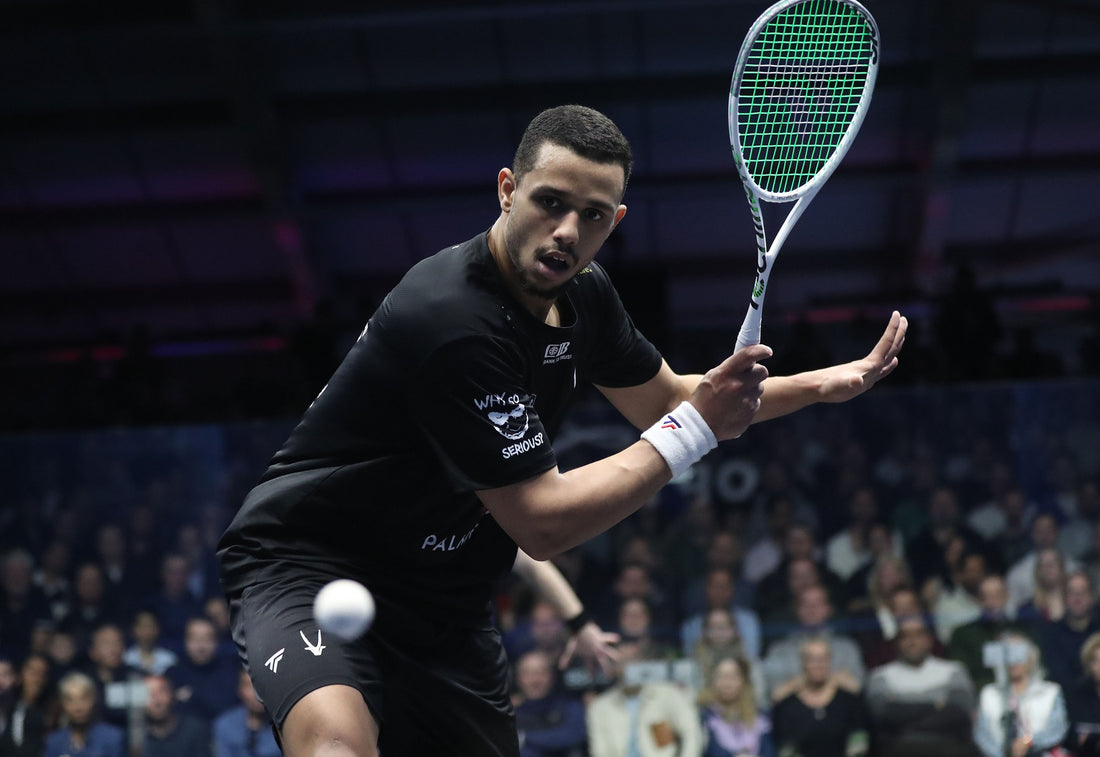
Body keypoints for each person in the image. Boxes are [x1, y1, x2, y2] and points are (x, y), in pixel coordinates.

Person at [216, 104, 908, 756]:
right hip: (308, 560)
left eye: (593, 215)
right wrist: (695, 428)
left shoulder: (586, 296)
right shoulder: (450, 318)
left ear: (616, 220)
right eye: (551, 202)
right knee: (335, 746)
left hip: (442, 595)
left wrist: (819, 385)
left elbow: (672, 399)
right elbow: (543, 522)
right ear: (507, 190)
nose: (569, 231)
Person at [865, 615, 975, 756]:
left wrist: (901, 707)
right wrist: (936, 705)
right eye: (905, 636)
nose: (912, 641)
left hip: (948, 748)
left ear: (929, 639)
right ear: (896, 642)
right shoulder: (880, 676)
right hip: (897, 750)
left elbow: (960, 712)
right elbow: (881, 715)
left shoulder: (954, 671)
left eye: (918, 635)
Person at [587, 639, 703, 757]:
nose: (629, 667)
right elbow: (600, 752)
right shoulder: (600, 707)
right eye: (623, 662)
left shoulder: (668, 694)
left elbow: (692, 734)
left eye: (633, 660)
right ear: (614, 668)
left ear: (643, 662)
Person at [972, 633, 1068, 757]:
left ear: (1030, 658)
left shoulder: (1050, 692)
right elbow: (982, 735)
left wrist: (1028, 742)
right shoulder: (988, 693)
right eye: (1008, 655)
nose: (1013, 662)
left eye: (1018, 655)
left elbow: (1056, 729)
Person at [771, 637, 869, 757]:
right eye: (812, 659)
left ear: (830, 660)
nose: (818, 664)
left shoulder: (848, 701)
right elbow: (786, 748)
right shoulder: (788, 706)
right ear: (803, 662)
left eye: (823, 658)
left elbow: (859, 741)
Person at [512, 650, 587, 757]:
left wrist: (523, 738)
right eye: (527, 673)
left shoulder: (569, 706)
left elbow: (573, 735)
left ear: (552, 676)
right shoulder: (509, 714)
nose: (535, 680)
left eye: (541, 672)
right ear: (518, 678)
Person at [698, 654, 775, 757]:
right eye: (721, 676)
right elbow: (712, 751)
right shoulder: (705, 716)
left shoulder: (760, 716)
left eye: (732, 676)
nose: (727, 682)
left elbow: (769, 752)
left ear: (743, 680)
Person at [42, 671, 125, 757]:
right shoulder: (54, 742)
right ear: (62, 703)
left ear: (93, 699)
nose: (78, 707)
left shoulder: (112, 738)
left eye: (84, 698)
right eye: (70, 700)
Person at [141, 673, 213, 757]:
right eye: (148, 693)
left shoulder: (195, 730)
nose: (156, 699)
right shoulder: (136, 737)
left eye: (161, 692)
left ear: (172, 695)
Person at [213, 669, 282, 757]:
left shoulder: (284, 725)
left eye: (262, 686)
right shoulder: (225, 725)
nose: (257, 694)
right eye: (249, 686)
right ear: (240, 690)